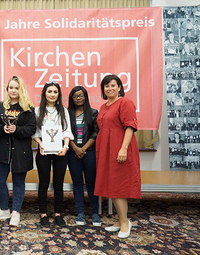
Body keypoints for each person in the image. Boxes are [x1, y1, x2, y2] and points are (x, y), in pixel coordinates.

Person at [95, 74, 141, 239]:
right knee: (111, 186)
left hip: (119, 148)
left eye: (113, 85)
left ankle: (124, 222)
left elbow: (130, 127)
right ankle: (121, 219)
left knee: (119, 187)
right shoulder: (103, 106)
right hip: (106, 150)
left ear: (120, 87)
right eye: (106, 86)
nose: (110, 88)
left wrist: (123, 148)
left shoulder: (125, 103)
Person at [0, 76, 36, 227]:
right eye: (11, 88)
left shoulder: (28, 107)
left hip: (20, 152)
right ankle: (4, 209)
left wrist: (17, 130)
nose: (13, 90)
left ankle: (15, 212)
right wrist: (2, 129)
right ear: (7, 89)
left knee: (18, 182)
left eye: (16, 88)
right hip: (3, 149)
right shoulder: (1, 106)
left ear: (20, 89)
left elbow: (32, 129)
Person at [32, 82, 73, 227]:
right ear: (44, 93)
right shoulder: (37, 110)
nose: (52, 94)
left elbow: (67, 131)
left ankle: (58, 214)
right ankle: (43, 214)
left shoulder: (63, 110)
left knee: (58, 184)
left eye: (55, 92)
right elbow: (35, 132)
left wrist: (66, 147)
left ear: (58, 94)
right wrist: (40, 143)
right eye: (49, 91)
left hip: (60, 151)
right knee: (43, 183)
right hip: (43, 150)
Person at [67, 86, 101, 226]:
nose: (78, 98)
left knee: (91, 183)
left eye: (81, 95)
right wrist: (75, 148)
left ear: (86, 97)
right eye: (75, 96)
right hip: (72, 152)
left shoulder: (93, 113)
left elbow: (96, 133)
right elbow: (65, 132)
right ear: (71, 98)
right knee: (77, 183)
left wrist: (84, 149)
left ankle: (94, 213)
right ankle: (80, 213)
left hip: (89, 152)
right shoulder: (67, 114)